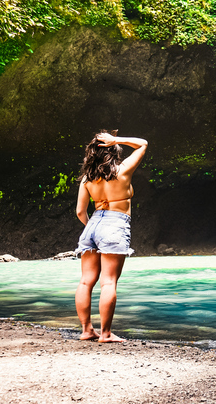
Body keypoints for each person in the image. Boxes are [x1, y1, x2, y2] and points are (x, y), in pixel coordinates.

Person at [74, 131, 148, 342]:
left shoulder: (87, 178)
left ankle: (87, 330)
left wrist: (94, 229)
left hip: (93, 224)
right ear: (113, 151)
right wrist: (116, 139)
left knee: (86, 282)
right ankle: (105, 333)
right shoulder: (122, 170)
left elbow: (80, 212)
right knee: (108, 282)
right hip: (115, 224)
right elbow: (143, 143)